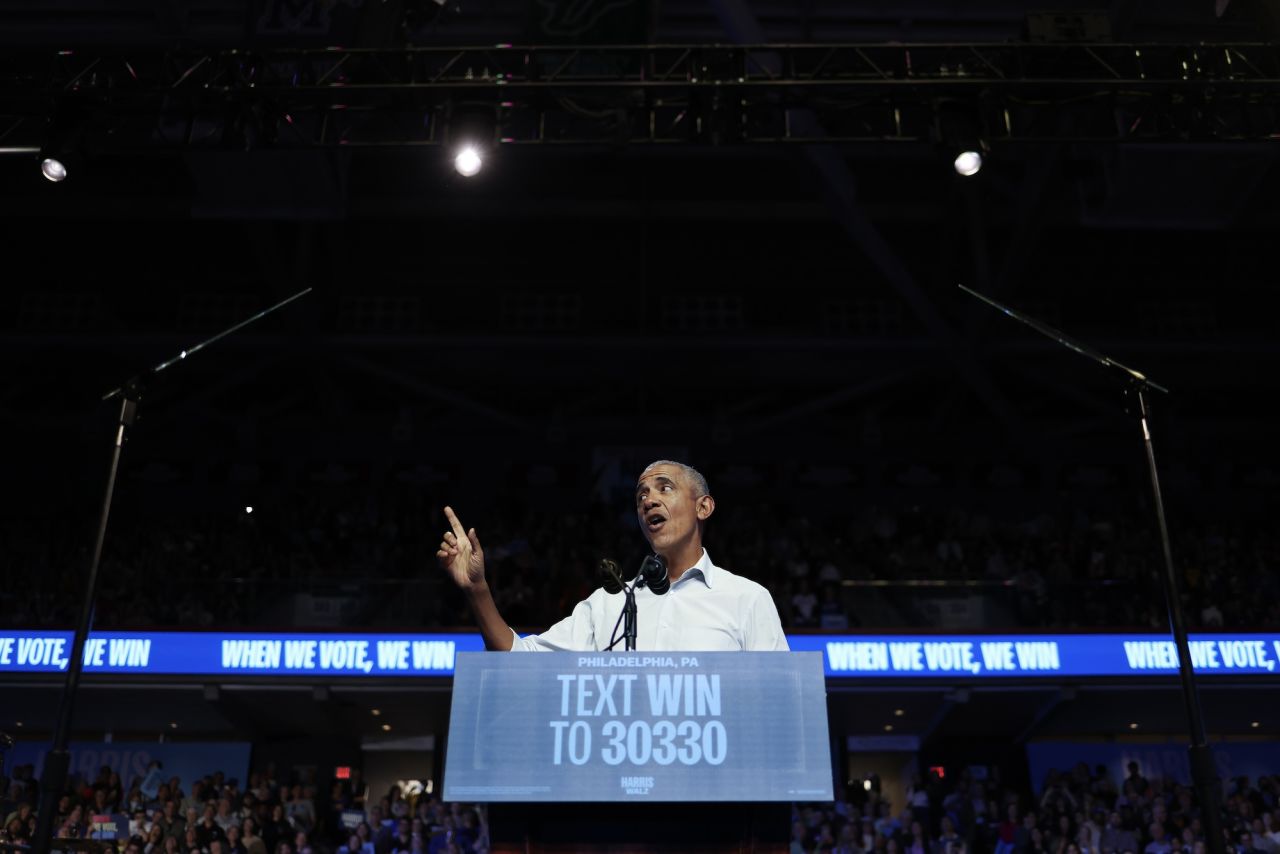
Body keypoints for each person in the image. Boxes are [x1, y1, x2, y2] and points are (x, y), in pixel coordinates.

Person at [436, 459, 788, 652]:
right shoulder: (609, 603)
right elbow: (521, 662)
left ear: (704, 506)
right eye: (640, 496)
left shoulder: (747, 599)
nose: (648, 500)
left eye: (664, 487)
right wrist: (477, 590)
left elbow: (781, 698)